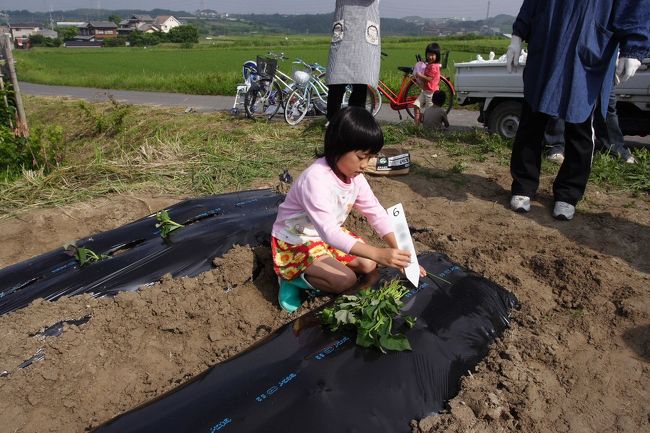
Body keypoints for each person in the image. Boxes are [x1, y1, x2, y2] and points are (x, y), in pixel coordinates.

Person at [271, 107, 426, 312]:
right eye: (361, 157)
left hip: (325, 237)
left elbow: (376, 212)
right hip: (296, 240)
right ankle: (292, 280)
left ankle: (322, 269)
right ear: (338, 147)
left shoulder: (355, 177)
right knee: (345, 280)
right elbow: (329, 232)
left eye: (370, 157)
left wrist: (405, 259)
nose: (365, 165)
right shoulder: (316, 179)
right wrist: (378, 253)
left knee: (369, 265)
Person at [506, 0, 649, 221]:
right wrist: (518, 35)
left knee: (579, 123)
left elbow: (634, 4)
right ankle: (523, 185)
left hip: (590, 45)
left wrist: (634, 48)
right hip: (548, 42)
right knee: (532, 120)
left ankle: (568, 193)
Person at [544, 80, 637, 165]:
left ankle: (616, 149)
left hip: (603, 64)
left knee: (606, 103)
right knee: (563, 95)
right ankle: (556, 147)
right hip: (571, 63)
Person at [326, 0, 380, 122]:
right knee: (336, 83)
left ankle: (355, 121)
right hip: (344, 34)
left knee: (361, 82)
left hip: (364, 38)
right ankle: (333, 120)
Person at [413, 42, 442, 126]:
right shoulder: (430, 64)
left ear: (437, 56)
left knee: (429, 112)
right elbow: (426, 64)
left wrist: (419, 75)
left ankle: (429, 128)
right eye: (428, 54)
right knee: (416, 105)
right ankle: (416, 126)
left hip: (431, 92)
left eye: (432, 55)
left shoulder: (434, 66)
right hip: (425, 91)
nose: (430, 57)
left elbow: (429, 78)